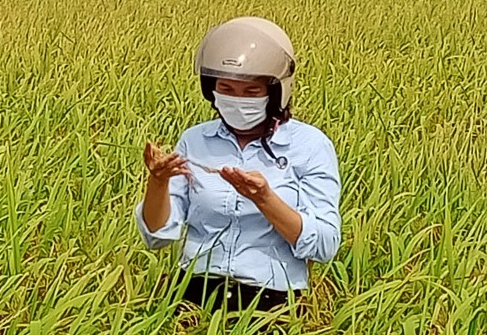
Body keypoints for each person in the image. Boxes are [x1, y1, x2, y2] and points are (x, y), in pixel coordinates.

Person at [136, 17, 341, 311]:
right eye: (226, 89)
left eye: (251, 92)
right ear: (211, 89)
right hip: (192, 292)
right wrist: (158, 182)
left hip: (271, 301)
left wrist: (265, 199)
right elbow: (158, 236)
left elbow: (325, 245)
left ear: (274, 92)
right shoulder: (195, 141)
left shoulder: (309, 145)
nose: (236, 100)